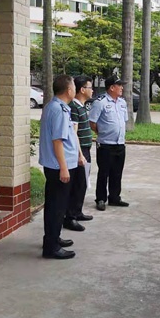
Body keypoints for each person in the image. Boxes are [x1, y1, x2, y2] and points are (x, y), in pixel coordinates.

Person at [39, 75, 85, 260]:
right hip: (58, 166)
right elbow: (57, 141)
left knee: (57, 205)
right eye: (74, 86)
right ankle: (51, 247)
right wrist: (64, 168)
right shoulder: (58, 110)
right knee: (56, 207)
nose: (75, 89)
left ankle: (53, 238)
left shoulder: (57, 107)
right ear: (68, 90)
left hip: (59, 165)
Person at [89, 75, 130, 211]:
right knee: (104, 173)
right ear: (112, 87)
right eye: (119, 85)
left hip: (120, 143)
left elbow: (123, 121)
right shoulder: (100, 102)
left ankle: (114, 197)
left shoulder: (122, 102)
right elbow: (92, 122)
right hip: (105, 144)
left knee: (117, 173)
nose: (122, 88)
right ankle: (101, 199)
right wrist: (101, 133)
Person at [63, 75, 95, 232]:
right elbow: (74, 133)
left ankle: (77, 211)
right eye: (90, 87)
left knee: (82, 183)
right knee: (77, 184)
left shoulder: (82, 106)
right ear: (82, 90)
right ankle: (70, 218)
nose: (92, 90)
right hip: (79, 151)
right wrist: (79, 155)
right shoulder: (74, 107)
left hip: (86, 150)